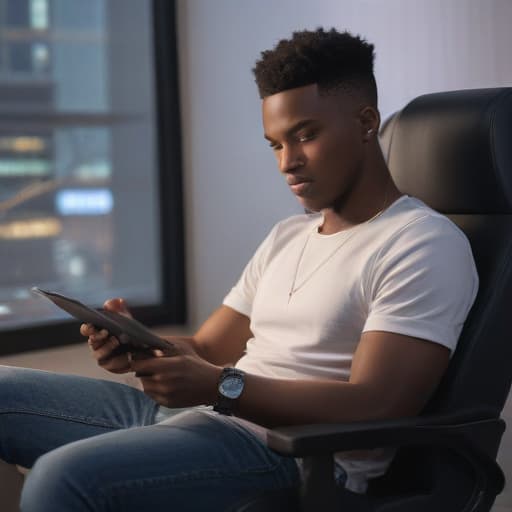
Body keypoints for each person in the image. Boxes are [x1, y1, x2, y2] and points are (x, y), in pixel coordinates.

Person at [0, 28, 478, 511]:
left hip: (288, 452)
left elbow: (378, 403)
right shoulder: (288, 236)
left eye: (305, 135)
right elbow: (207, 348)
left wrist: (220, 387)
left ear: (366, 121)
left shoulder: (422, 243)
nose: (287, 163)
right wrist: (138, 347)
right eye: (274, 144)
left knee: (61, 478)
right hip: (203, 415)